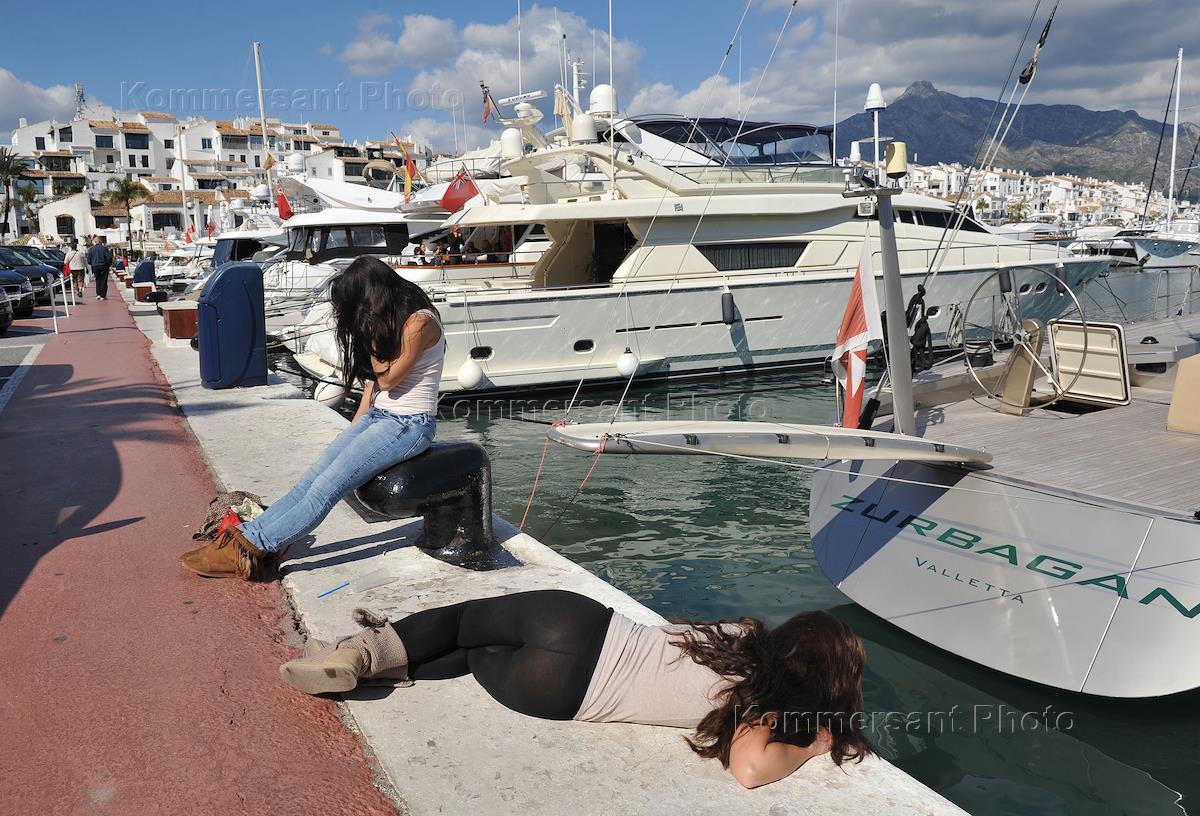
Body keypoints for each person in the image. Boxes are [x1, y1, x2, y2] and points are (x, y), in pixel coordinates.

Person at [280, 590, 873, 788]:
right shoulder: (765, 709)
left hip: (581, 625)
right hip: (563, 691)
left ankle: (362, 654)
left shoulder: (743, 636)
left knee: (464, 623)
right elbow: (749, 769)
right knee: (476, 656)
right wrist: (813, 745)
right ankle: (379, 669)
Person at [179, 256, 445, 580]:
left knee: (325, 490)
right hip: (381, 416)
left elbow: (388, 380)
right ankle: (249, 534)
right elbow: (374, 386)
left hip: (408, 425)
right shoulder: (397, 318)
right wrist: (355, 429)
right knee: (312, 478)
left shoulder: (419, 322)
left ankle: (251, 547)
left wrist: (373, 336)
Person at [86, 236, 113, 300]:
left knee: (97, 279)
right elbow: (109, 257)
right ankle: (103, 295)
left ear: (95, 241)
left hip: (95, 266)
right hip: (103, 265)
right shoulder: (104, 248)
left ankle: (98, 294)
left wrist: (92, 264)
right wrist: (109, 264)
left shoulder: (91, 249)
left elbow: (88, 259)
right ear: (100, 241)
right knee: (103, 280)